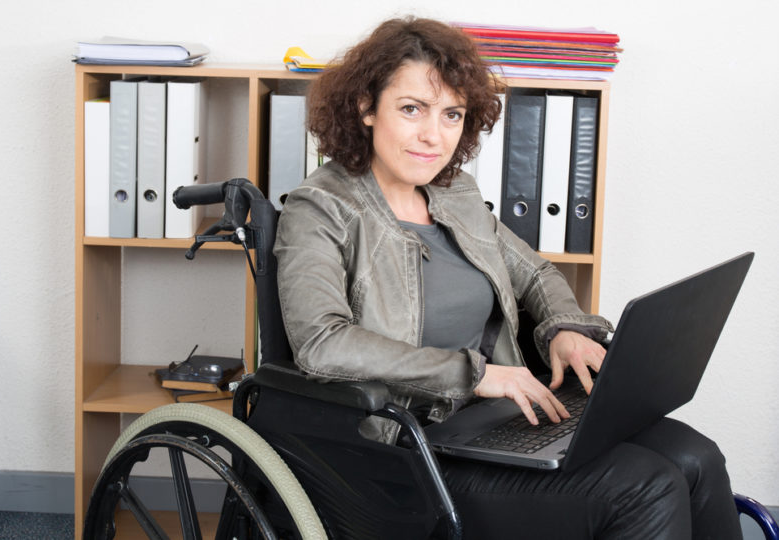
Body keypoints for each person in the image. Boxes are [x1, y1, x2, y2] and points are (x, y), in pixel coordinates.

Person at [274, 16, 742, 539]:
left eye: (451, 114)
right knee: (645, 484)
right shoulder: (320, 208)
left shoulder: (456, 196)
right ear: (366, 107)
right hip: (405, 449)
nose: (434, 135)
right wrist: (474, 374)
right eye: (412, 109)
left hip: (492, 423)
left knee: (696, 457)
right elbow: (321, 342)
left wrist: (565, 327)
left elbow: (536, 272)